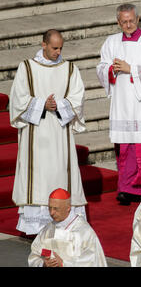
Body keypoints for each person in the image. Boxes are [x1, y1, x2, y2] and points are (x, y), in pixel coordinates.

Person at [9, 29, 87, 235]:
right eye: (54, 48)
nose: (58, 51)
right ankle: (35, 227)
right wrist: (43, 104)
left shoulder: (70, 69)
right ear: (43, 45)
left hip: (60, 134)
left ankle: (65, 220)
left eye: (61, 47)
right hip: (36, 133)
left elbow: (78, 98)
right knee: (38, 176)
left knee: (60, 173)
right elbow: (18, 99)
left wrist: (59, 106)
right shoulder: (26, 68)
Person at [96, 3, 141, 205]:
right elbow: (101, 66)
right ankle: (125, 189)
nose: (128, 24)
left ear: (138, 19)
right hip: (122, 102)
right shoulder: (111, 42)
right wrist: (110, 70)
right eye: (124, 21)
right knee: (125, 148)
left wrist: (130, 68)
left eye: (131, 20)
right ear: (118, 22)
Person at [28, 188, 107, 267]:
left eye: (56, 209)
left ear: (68, 208)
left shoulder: (84, 232)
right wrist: (43, 264)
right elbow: (35, 254)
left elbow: (91, 261)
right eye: (50, 208)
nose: (51, 213)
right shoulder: (48, 229)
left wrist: (64, 264)